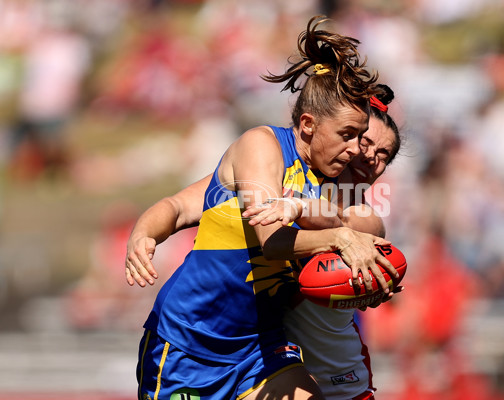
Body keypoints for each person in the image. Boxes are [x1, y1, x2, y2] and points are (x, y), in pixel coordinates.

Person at [126, 16, 398, 400]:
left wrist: (366, 264)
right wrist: (143, 234)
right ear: (308, 125)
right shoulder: (261, 146)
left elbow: (369, 223)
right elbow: (184, 209)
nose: (356, 149)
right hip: (190, 340)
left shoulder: (332, 183)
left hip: (260, 347)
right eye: (347, 136)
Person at [245, 84, 402, 400]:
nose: (370, 156)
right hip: (271, 372)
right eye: (365, 141)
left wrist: (299, 206)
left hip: (344, 382)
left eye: (384, 154)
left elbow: (338, 218)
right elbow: (192, 203)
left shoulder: (365, 217)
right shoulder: (274, 171)